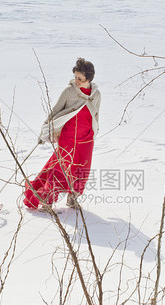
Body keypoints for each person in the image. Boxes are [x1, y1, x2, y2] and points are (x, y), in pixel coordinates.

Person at [24, 58, 101, 210]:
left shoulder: (96, 94)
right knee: (60, 169)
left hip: (86, 139)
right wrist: (45, 131)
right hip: (68, 137)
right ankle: (47, 200)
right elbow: (55, 112)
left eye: (80, 78)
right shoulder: (69, 91)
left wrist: (94, 132)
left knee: (81, 171)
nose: (76, 81)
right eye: (75, 77)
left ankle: (73, 198)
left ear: (89, 79)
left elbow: (96, 115)